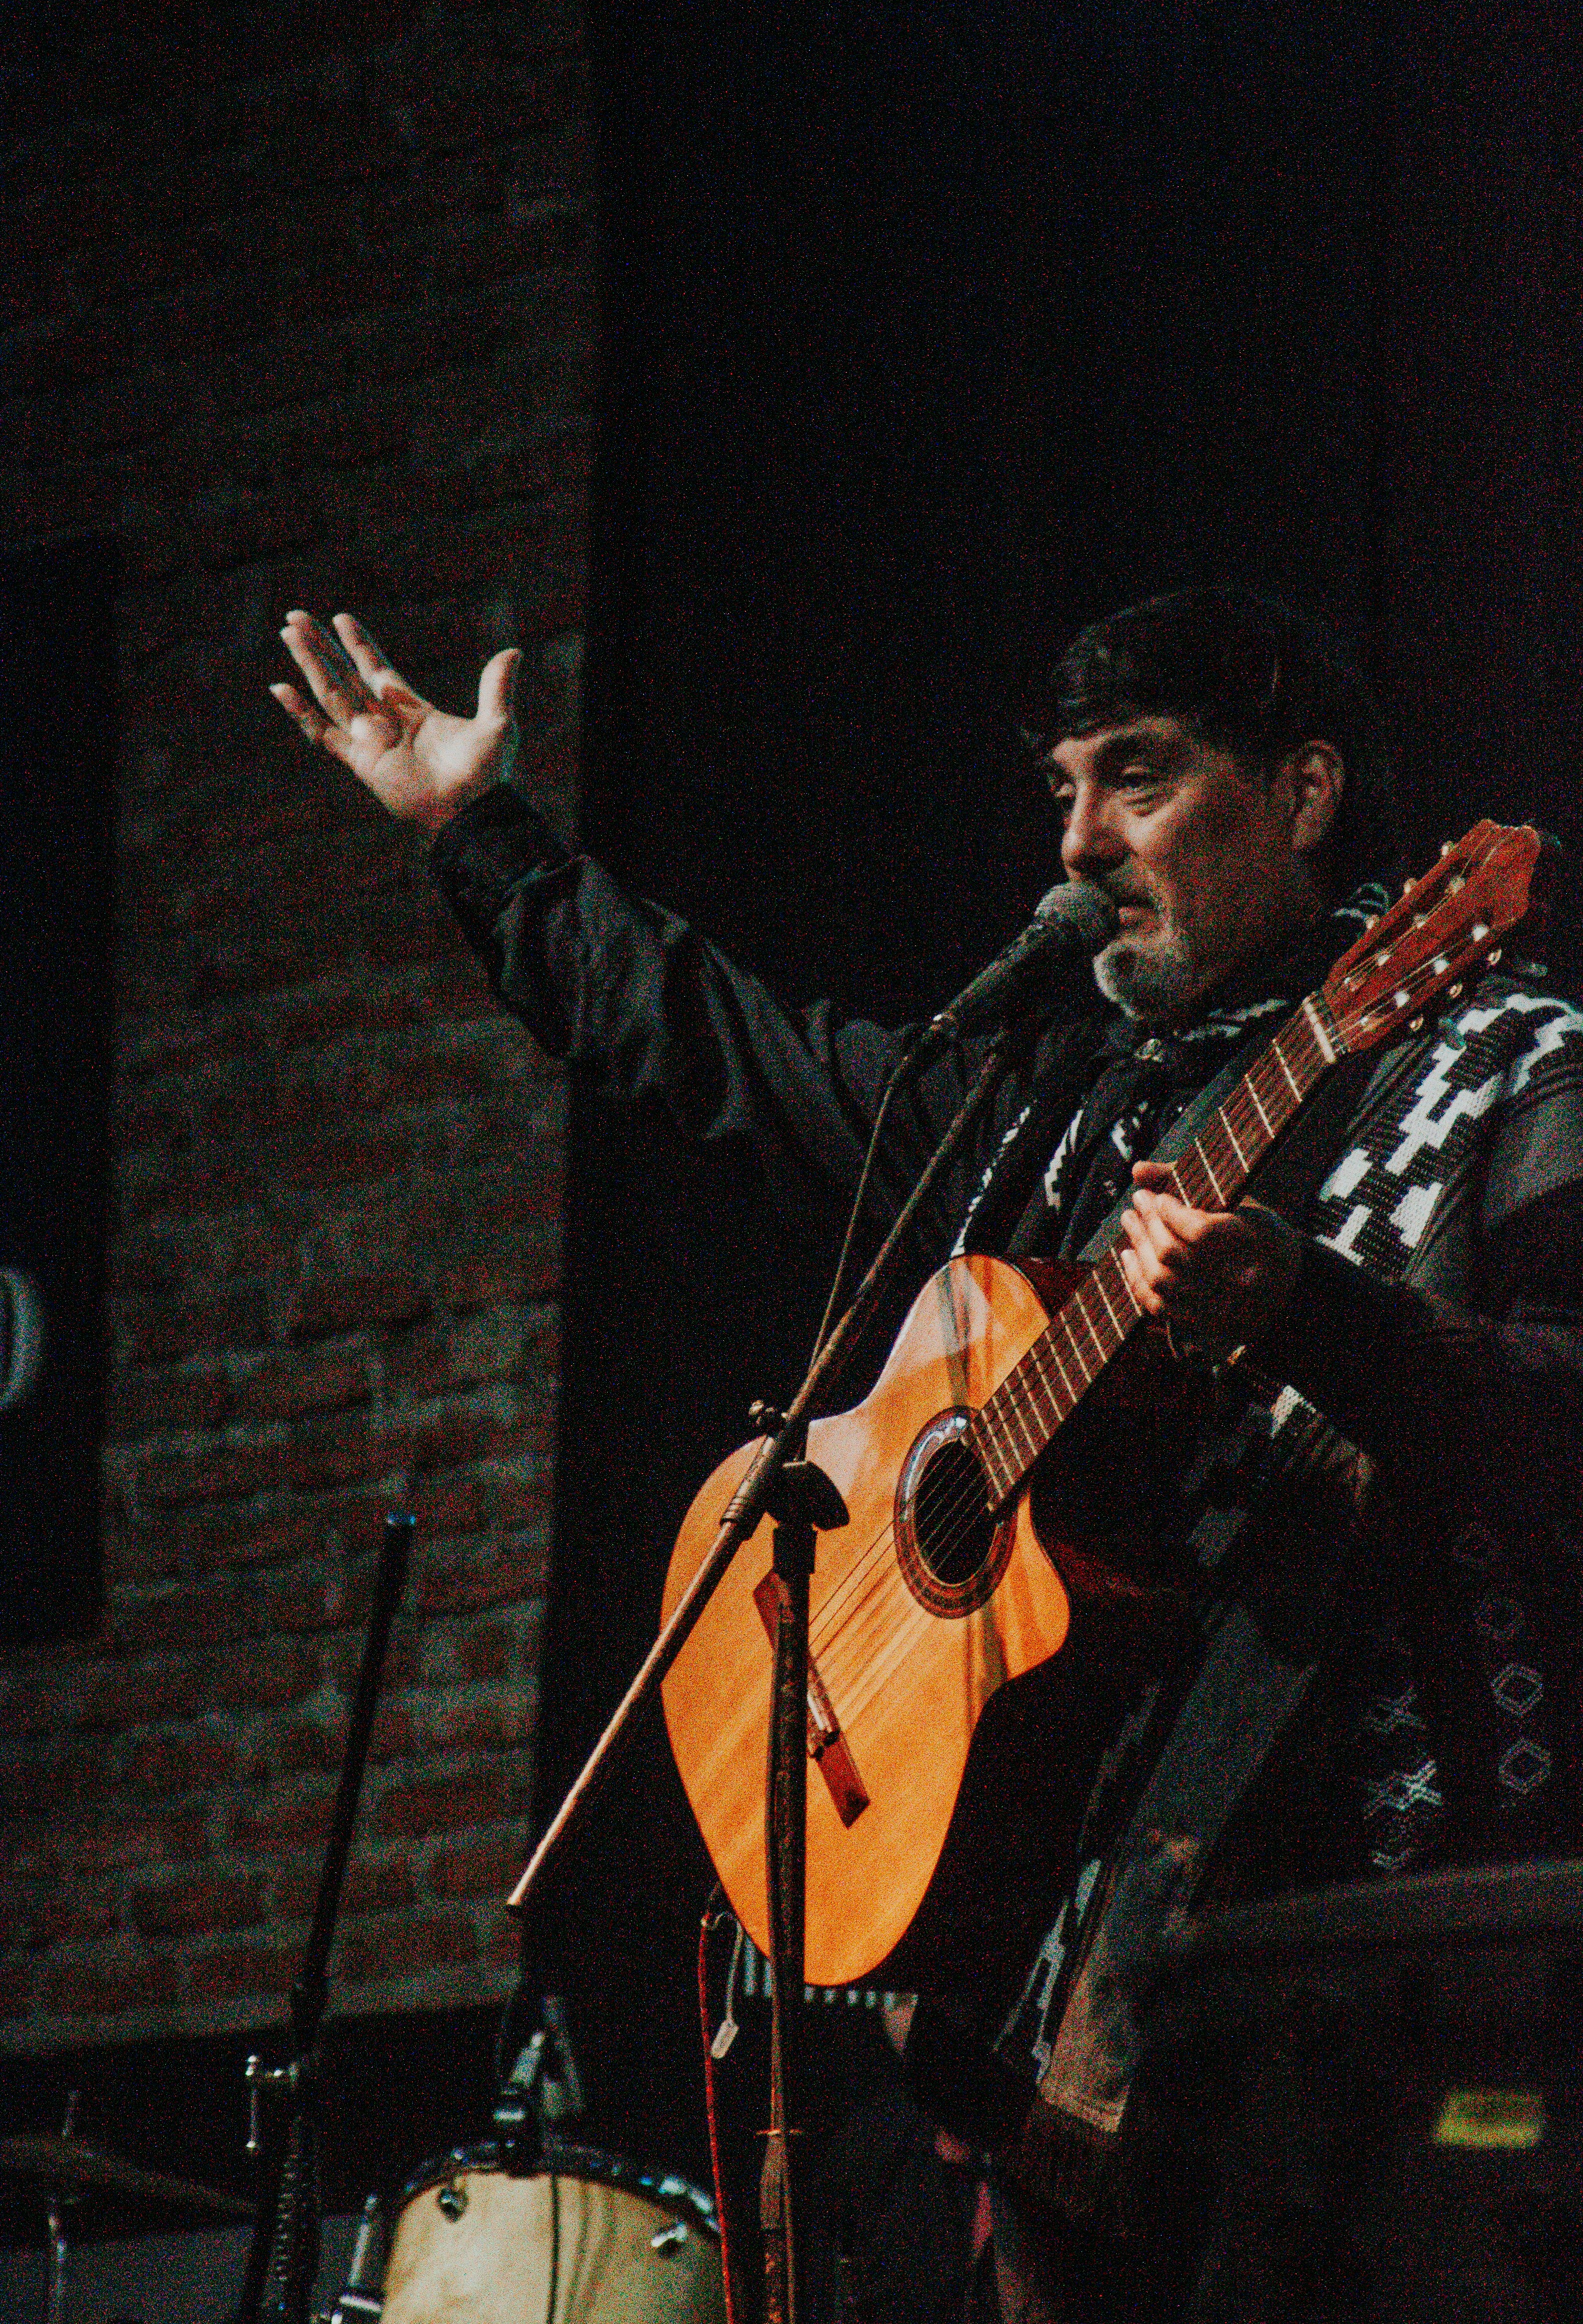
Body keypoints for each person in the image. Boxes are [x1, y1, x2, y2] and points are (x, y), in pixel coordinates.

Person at [273, 588, 1583, 2319]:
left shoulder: (1499, 1061)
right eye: (1061, 790)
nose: (1082, 841)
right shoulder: (1033, 1120)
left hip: (1374, 1952)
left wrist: (1312, 1312)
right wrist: (476, 829)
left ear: (1309, 790)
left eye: (1140, 777)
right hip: (1063, 2008)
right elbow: (712, 1041)